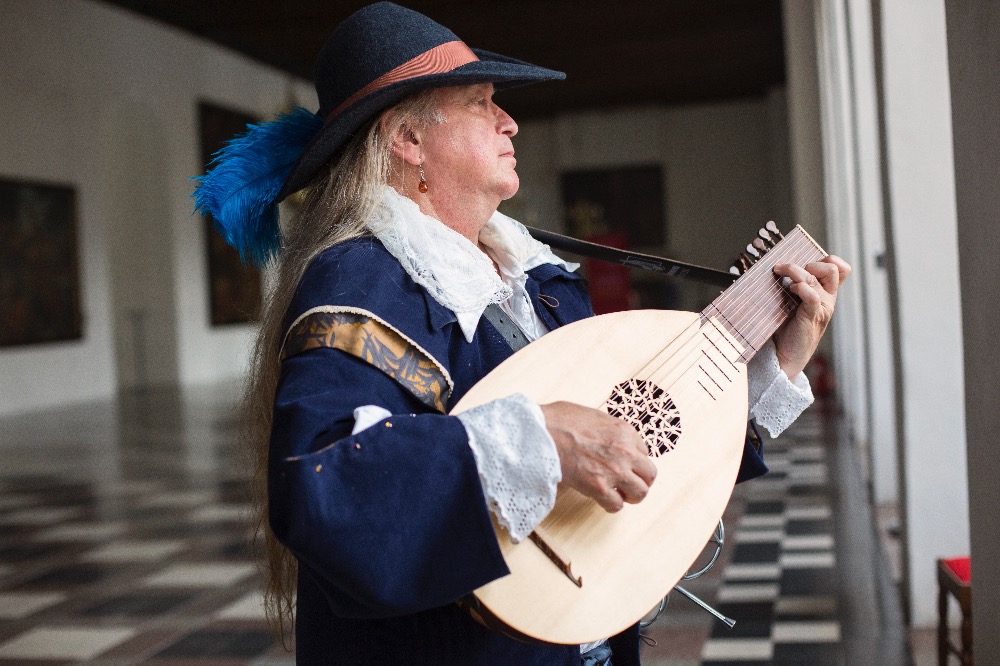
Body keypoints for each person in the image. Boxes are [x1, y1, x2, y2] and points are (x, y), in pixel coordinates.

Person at [193, 3, 851, 665]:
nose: (509, 121)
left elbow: (632, 438)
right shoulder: (360, 282)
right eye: (480, 102)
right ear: (408, 139)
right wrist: (540, 440)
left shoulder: (536, 279)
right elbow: (325, 490)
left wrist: (770, 366)